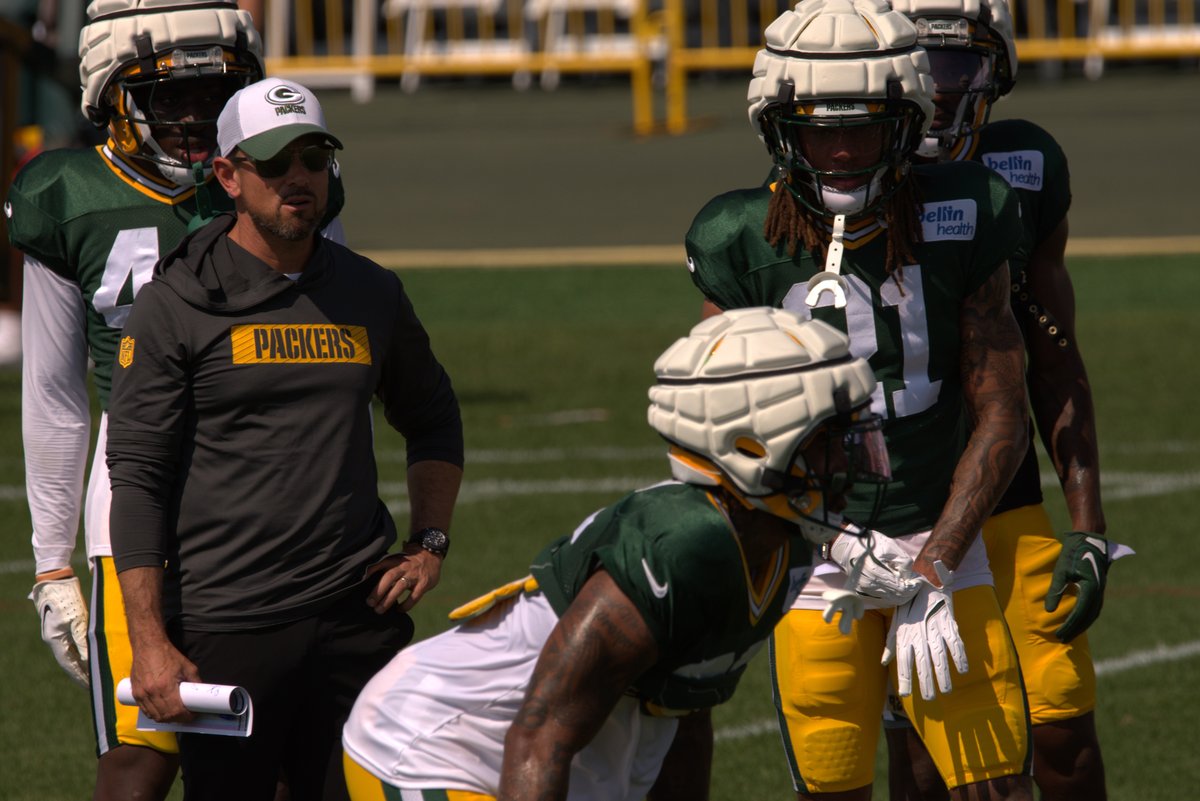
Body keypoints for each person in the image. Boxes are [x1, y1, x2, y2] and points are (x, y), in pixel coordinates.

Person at [684, 0, 1033, 798]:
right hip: (814, 560)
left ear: (907, 120)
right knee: (833, 785)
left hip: (941, 542)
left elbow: (1003, 412)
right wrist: (838, 541)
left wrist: (934, 563)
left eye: (864, 127)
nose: (840, 149)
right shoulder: (741, 236)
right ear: (777, 127)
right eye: (816, 127)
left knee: (998, 786)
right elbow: (721, 432)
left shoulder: (968, 210)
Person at [5, 1, 349, 798]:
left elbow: (333, 351)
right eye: (170, 99)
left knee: (292, 753)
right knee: (144, 752)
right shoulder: (72, 193)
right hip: (139, 505)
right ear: (112, 98)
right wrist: (53, 562)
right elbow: (56, 396)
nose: (197, 119)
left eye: (214, 95)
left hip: (279, 502)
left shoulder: (286, 184)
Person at [342, 308, 893, 801]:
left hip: (559, 758)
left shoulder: (780, 544)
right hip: (433, 746)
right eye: (828, 438)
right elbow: (541, 734)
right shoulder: (679, 543)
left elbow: (686, 707)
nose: (850, 458)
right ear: (752, 443)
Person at [104, 75, 463, 801]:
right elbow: (136, 476)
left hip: (357, 615)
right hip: (228, 626)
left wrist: (429, 543)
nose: (297, 179)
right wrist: (148, 639)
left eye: (313, 159)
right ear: (230, 175)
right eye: (275, 163)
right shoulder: (176, 304)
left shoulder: (370, 292)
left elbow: (432, 415)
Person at [884, 0, 1116, 797]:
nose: (939, 90)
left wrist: (1087, 522)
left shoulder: (1026, 165)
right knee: (925, 740)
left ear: (998, 68)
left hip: (1004, 481)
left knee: (1062, 722)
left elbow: (1054, 352)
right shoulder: (835, 174)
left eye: (959, 66)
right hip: (895, 494)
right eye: (923, 64)